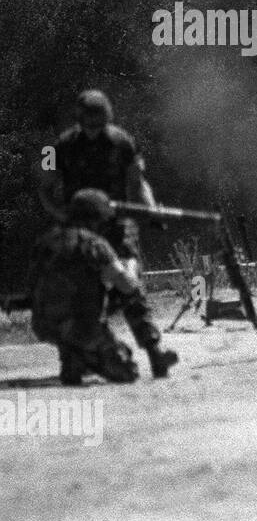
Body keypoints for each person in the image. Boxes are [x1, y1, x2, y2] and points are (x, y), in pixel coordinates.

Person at [37, 89, 177, 377]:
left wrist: (150, 209)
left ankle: (154, 351)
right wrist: (60, 214)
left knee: (129, 280)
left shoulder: (122, 142)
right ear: (79, 120)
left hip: (116, 223)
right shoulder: (59, 147)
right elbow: (45, 187)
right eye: (88, 124)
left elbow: (138, 183)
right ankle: (73, 358)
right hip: (80, 227)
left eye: (98, 124)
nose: (93, 130)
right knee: (75, 285)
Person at [29, 190, 177, 385]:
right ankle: (83, 358)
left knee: (70, 317)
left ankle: (71, 357)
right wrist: (130, 263)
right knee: (128, 371)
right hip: (81, 328)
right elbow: (127, 285)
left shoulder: (44, 242)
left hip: (42, 326)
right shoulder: (93, 244)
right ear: (96, 219)